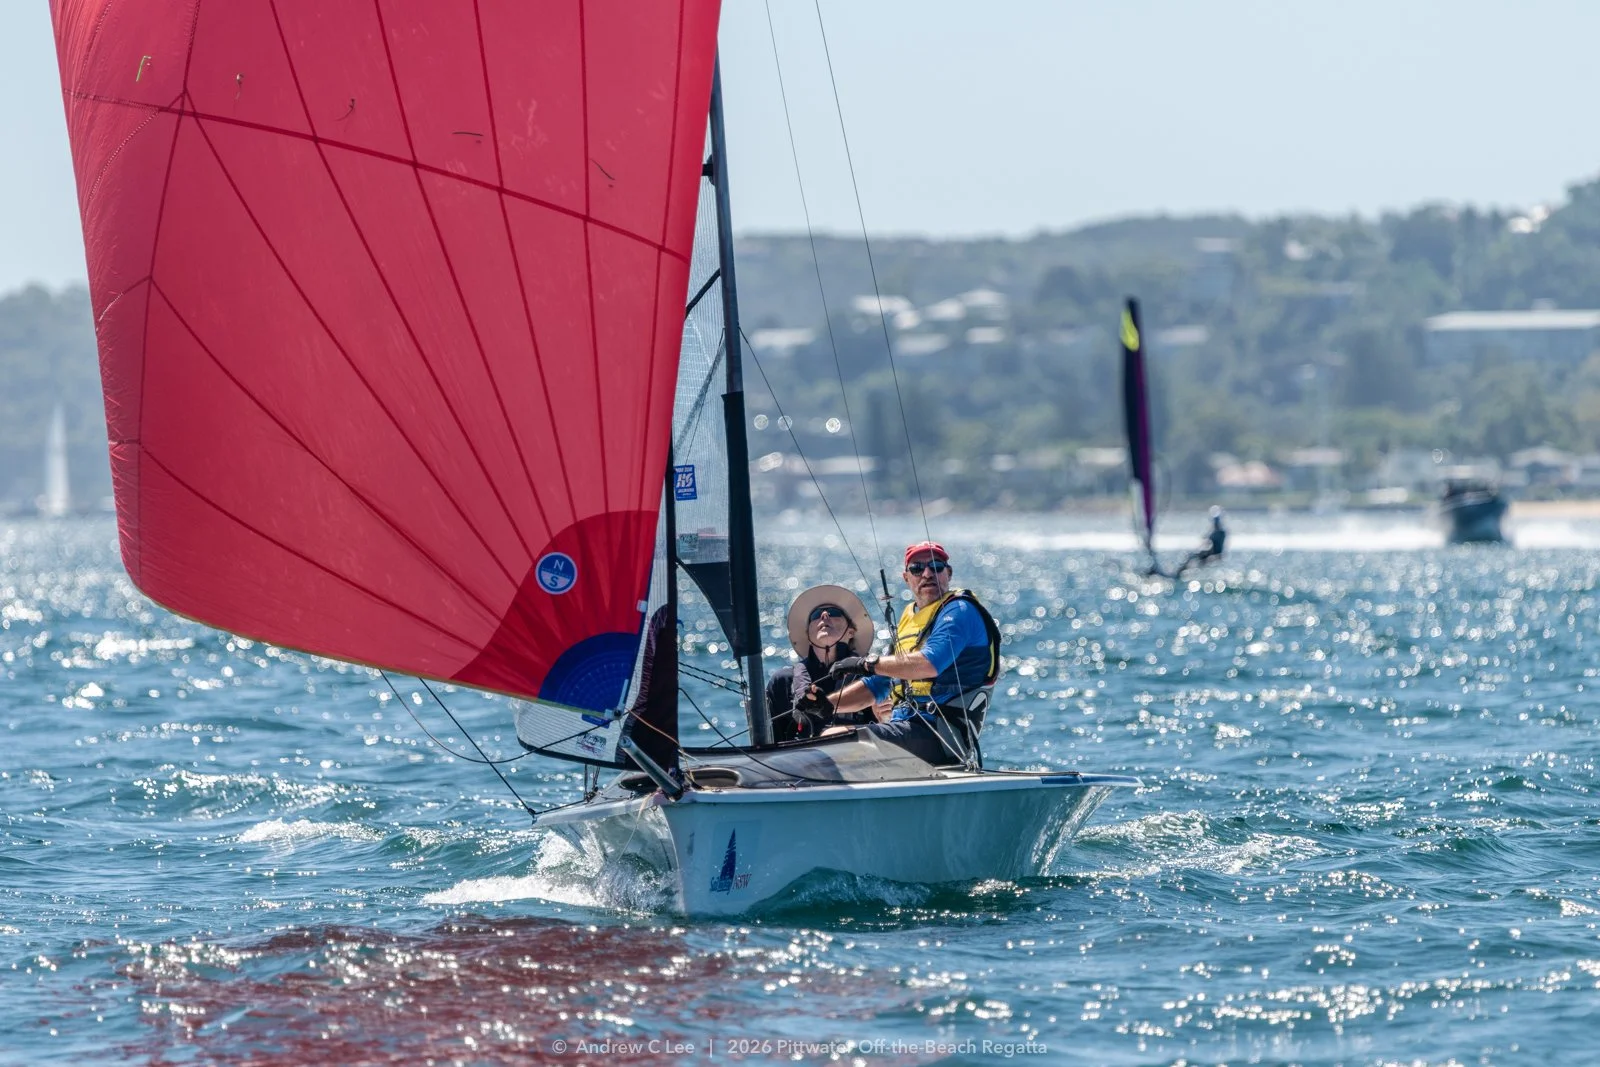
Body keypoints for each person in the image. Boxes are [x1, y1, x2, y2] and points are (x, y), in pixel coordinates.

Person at [802, 541, 1001, 767]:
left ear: (949, 573)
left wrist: (866, 663)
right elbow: (877, 685)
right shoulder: (909, 618)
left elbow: (929, 663)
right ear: (906, 578)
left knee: (834, 740)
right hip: (906, 728)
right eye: (917, 568)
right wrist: (826, 705)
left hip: (942, 737)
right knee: (825, 739)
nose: (927, 574)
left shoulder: (960, 610)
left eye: (936, 566)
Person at [765, 585, 875, 743]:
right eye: (816, 615)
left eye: (834, 613)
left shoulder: (870, 676)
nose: (824, 615)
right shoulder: (782, 682)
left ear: (851, 631)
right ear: (808, 636)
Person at [1176, 506, 1227, 575]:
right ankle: (1183, 572)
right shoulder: (1217, 531)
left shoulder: (1220, 532)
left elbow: (1210, 543)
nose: (1214, 523)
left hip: (1215, 555)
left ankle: (1181, 572)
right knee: (1192, 556)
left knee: (1193, 557)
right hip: (1211, 553)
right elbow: (1207, 541)